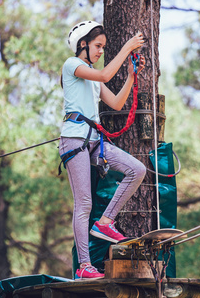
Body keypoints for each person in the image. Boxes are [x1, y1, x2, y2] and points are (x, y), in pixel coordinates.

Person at [59, 20, 147, 279]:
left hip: (95, 140)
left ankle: (105, 222)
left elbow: (118, 103)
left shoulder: (93, 78)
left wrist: (131, 76)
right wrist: (127, 47)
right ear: (82, 45)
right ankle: (84, 266)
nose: (100, 52)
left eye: (103, 47)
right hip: (74, 140)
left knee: (136, 169)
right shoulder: (72, 65)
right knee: (83, 203)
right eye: (98, 46)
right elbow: (106, 74)